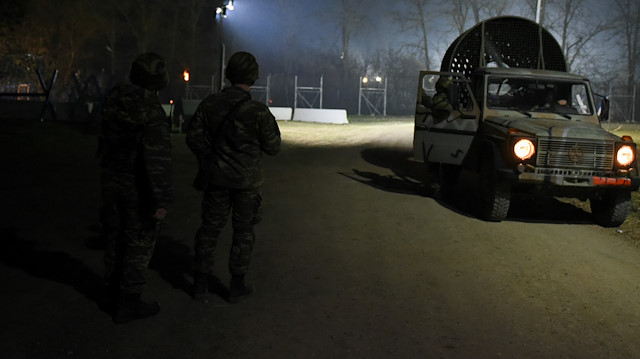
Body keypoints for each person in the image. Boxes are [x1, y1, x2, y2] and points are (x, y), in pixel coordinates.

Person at [186, 51, 281, 303]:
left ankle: (200, 283)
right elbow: (273, 147)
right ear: (253, 77)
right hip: (246, 184)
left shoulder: (210, 104)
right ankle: (236, 284)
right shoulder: (258, 111)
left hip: (216, 180)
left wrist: (209, 159)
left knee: (209, 230)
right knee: (243, 232)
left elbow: (193, 137)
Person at [98, 52, 173, 323]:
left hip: (111, 179)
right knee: (139, 242)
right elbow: (157, 160)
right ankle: (129, 301)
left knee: (114, 237)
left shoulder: (113, 99)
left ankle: (111, 291)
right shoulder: (151, 111)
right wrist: (161, 200)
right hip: (138, 186)